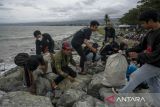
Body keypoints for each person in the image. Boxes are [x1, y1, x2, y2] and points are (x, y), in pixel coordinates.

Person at [112, 10, 160, 106]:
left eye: (143, 23)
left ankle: (122, 93)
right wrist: (127, 51)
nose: (142, 25)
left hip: (157, 63)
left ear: (150, 21)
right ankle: (158, 103)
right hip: (151, 62)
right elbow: (141, 46)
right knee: (153, 83)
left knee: (135, 75)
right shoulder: (150, 33)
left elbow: (157, 54)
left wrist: (139, 56)